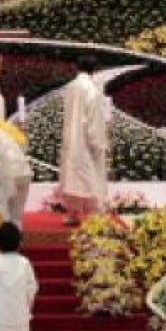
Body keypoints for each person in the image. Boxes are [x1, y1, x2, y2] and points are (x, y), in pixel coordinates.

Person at [57, 55, 109, 226]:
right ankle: (95, 215)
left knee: (73, 176)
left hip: (71, 139)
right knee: (90, 176)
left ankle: (73, 212)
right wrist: (98, 142)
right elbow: (93, 119)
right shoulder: (92, 90)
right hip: (85, 141)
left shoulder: (71, 87)